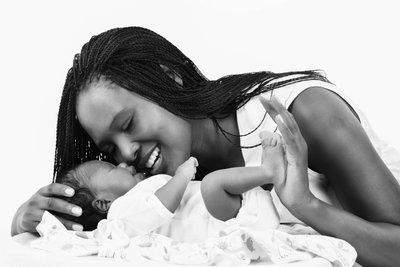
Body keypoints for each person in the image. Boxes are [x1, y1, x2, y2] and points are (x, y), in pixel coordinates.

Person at [11, 26, 400, 266]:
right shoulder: (164, 189)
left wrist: (305, 205)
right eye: (110, 150)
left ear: (170, 78)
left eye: (127, 124)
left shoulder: (305, 114)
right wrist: (27, 221)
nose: (127, 153)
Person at [54, 133, 282, 242]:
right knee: (213, 184)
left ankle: (267, 174)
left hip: (231, 211)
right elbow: (160, 208)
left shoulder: (132, 200)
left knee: (214, 185)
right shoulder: (120, 213)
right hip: (226, 221)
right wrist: (181, 176)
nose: (123, 163)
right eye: (112, 169)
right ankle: (268, 171)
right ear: (103, 203)